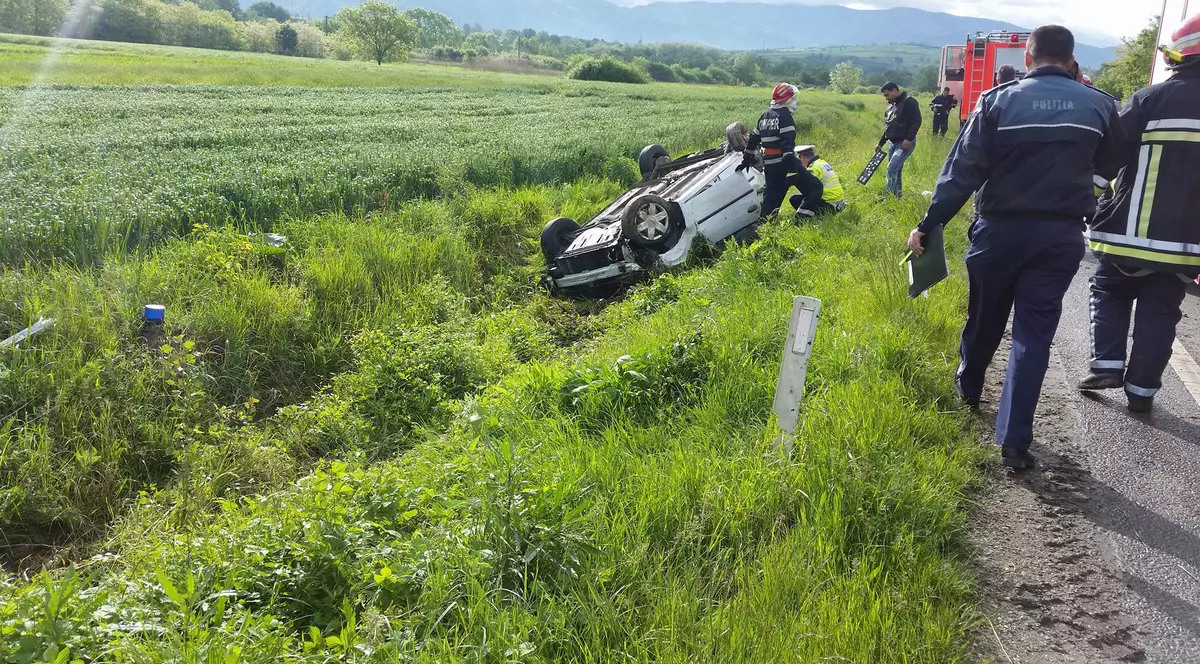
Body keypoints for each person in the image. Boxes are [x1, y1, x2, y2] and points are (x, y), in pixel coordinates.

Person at [906, 25, 1126, 469]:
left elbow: (961, 174)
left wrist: (928, 225)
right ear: (1070, 59)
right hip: (1060, 237)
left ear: (1028, 58)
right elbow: (1113, 162)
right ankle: (1014, 441)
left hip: (999, 233)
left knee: (985, 316)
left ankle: (968, 389)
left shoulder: (996, 101)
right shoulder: (1101, 105)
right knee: (1034, 335)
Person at [1077, 14, 1200, 413]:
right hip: (1186, 243)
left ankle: (1108, 364)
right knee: (1161, 310)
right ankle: (1143, 391)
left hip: (1127, 233)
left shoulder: (1149, 99)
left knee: (1109, 290)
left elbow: (1107, 154)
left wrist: (1085, 201)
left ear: (1179, 54)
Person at [743, 83, 801, 221]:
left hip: (768, 161)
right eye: (792, 98)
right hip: (780, 161)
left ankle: (767, 218)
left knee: (771, 190)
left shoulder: (765, 115)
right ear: (786, 100)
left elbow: (754, 137)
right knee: (775, 193)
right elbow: (788, 140)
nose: (794, 101)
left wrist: (747, 154)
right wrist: (789, 158)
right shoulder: (785, 116)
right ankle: (765, 222)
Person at [878, 82, 921, 198]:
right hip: (892, 143)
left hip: (904, 144)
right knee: (896, 171)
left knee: (891, 169)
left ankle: (887, 197)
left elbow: (917, 121)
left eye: (887, 95)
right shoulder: (890, 107)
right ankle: (897, 197)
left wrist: (908, 138)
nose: (886, 98)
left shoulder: (909, 102)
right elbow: (888, 127)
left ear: (894, 90)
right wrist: (880, 143)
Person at [788, 145, 845, 218]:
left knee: (794, 199)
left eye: (799, 158)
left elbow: (809, 189)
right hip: (838, 202)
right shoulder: (822, 163)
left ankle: (810, 217)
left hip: (829, 205)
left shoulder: (813, 168)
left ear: (802, 157)